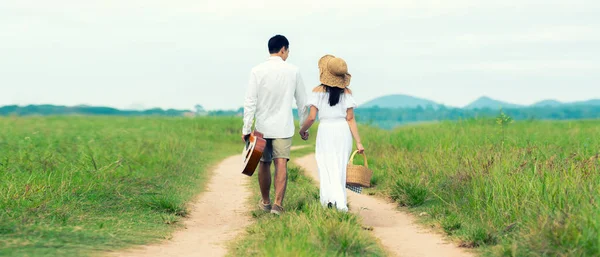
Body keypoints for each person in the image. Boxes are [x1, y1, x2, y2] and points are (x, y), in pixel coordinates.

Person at [242, 35, 309, 215]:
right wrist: (304, 126)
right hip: (283, 126)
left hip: (262, 127)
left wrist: (246, 129)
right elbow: (302, 102)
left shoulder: (257, 71)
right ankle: (277, 205)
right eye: (287, 51)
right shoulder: (293, 71)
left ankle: (265, 202)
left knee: (264, 163)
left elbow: (250, 101)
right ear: (283, 49)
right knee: (281, 163)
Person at [299, 54, 364, 212]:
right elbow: (350, 119)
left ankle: (329, 200)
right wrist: (359, 142)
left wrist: (303, 130)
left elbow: (312, 117)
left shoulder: (317, 91)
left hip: (326, 131)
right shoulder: (347, 93)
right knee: (340, 166)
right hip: (342, 131)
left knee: (326, 165)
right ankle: (340, 202)